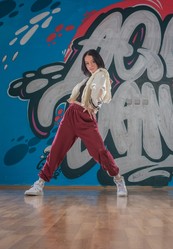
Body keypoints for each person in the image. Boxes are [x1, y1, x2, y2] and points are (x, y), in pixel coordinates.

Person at [25, 49, 128, 197]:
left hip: (85, 117)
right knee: (56, 149)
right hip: (71, 114)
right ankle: (39, 183)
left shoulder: (102, 75)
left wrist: (96, 99)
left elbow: (100, 95)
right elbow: (78, 96)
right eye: (87, 63)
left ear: (98, 61)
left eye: (93, 62)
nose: (90, 65)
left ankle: (119, 180)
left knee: (99, 152)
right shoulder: (87, 79)